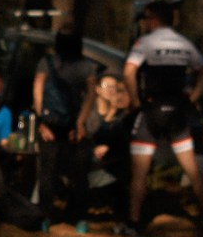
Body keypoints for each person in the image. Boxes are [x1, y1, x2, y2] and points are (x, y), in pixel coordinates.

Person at [122, 0, 203, 230]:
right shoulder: (184, 43)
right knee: (192, 168)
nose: (143, 23)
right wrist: (193, 97)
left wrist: (134, 100)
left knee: (139, 172)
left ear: (155, 19)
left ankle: (133, 222)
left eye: (146, 18)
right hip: (177, 111)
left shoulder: (145, 43)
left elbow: (129, 71)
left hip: (151, 110)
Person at [32, 28, 99, 225]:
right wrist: (80, 122)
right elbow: (90, 94)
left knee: (47, 172)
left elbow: (37, 90)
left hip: (50, 124)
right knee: (79, 174)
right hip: (73, 125)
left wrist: (41, 119)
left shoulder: (46, 62)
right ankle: (78, 219)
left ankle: (45, 216)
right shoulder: (86, 66)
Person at [77, 71, 137, 222]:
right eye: (107, 86)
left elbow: (120, 137)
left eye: (115, 87)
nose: (111, 90)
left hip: (111, 159)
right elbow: (91, 134)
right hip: (87, 155)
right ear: (97, 89)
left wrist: (114, 111)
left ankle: (124, 218)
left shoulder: (121, 114)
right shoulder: (89, 111)